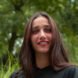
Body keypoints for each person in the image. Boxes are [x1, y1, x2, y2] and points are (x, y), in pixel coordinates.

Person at [10, 11, 78, 78]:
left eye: (47, 30)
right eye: (35, 31)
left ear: (55, 36)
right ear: (29, 39)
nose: (42, 35)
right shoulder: (17, 76)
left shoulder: (72, 73)